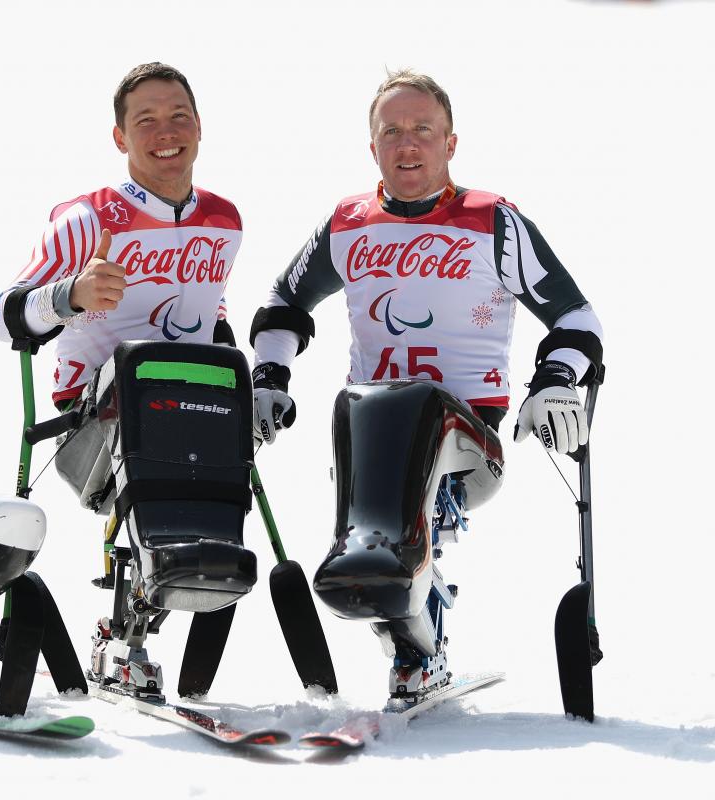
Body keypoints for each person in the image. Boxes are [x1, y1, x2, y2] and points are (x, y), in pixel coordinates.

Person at [248, 69, 604, 697]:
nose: (407, 144)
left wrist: (554, 383)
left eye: (422, 130)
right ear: (373, 148)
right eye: (391, 132)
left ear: (450, 143)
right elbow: (282, 302)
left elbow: (577, 319)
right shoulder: (348, 222)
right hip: (369, 438)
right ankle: (409, 629)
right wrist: (270, 374)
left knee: (415, 417)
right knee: (376, 465)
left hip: (466, 439)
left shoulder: (495, 220)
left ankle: (415, 635)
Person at [0, 63, 246, 695]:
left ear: (200, 127)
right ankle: (123, 637)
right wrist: (71, 295)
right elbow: (4, 316)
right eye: (146, 121)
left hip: (190, 420)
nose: (166, 133)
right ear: (120, 137)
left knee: (212, 380)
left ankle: (178, 599)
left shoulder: (225, 220)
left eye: (178, 117)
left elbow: (210, 312)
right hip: (94, 425)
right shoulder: (86, 218)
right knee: (142, 374)